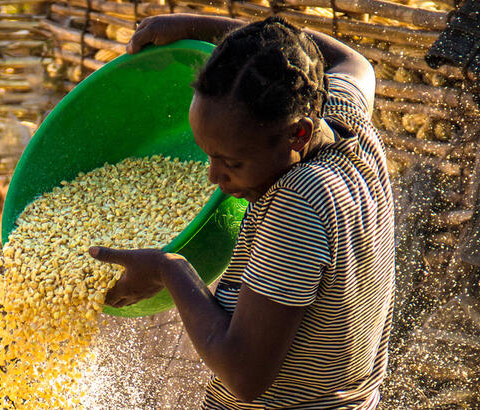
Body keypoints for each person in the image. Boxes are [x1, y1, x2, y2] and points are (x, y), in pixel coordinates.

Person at [89, 14, 395, 409]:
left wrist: (170, 270)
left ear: (297, 133)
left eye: (231, 163)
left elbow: (244, 374)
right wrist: (193, 27)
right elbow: (351, 63)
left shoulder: (297, 205)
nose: (214, 176)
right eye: (209, 156)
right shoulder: (348, 125)